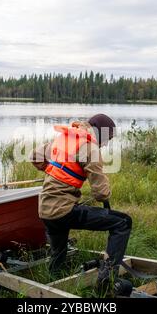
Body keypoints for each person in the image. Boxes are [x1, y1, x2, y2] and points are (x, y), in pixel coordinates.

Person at [30, 113, 132, 292]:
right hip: (63, 211)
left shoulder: (64, 138)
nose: (106, 143)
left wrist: (55, 170)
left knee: (58, 254)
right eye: (107, 138)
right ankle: (106, 281)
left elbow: (34, 157)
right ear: (100, 133)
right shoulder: (90, 147)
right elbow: (100, 193)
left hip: (45, 211)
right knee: (123, 222)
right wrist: (106, 191)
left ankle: (53, 283)